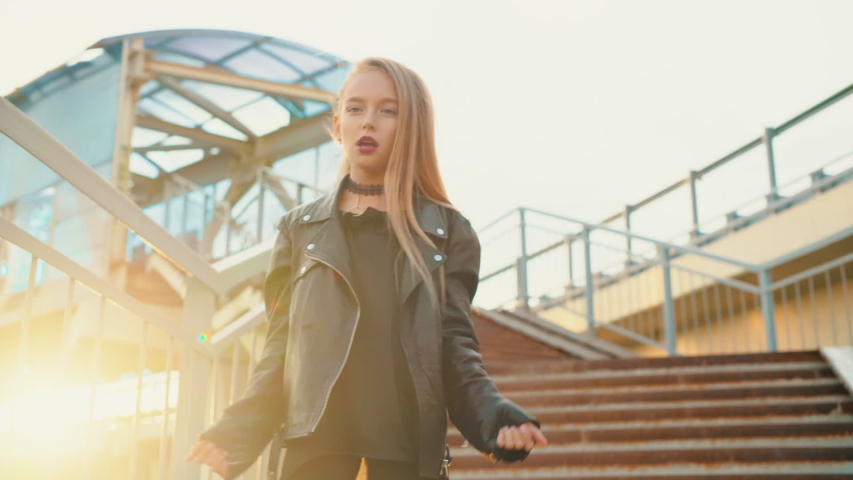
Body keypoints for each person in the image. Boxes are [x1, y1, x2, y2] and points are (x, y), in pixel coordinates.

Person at [184, 57, 548, 480]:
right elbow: (281, 351)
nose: (368, 122)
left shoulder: (448, 232)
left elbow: (454, 347)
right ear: (338, 127)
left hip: (405, 456)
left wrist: (494, 416)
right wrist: (239, 429)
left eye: (388, 110)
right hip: (313, 453)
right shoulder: (299, 229)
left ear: (412, 128)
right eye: (355, 109)